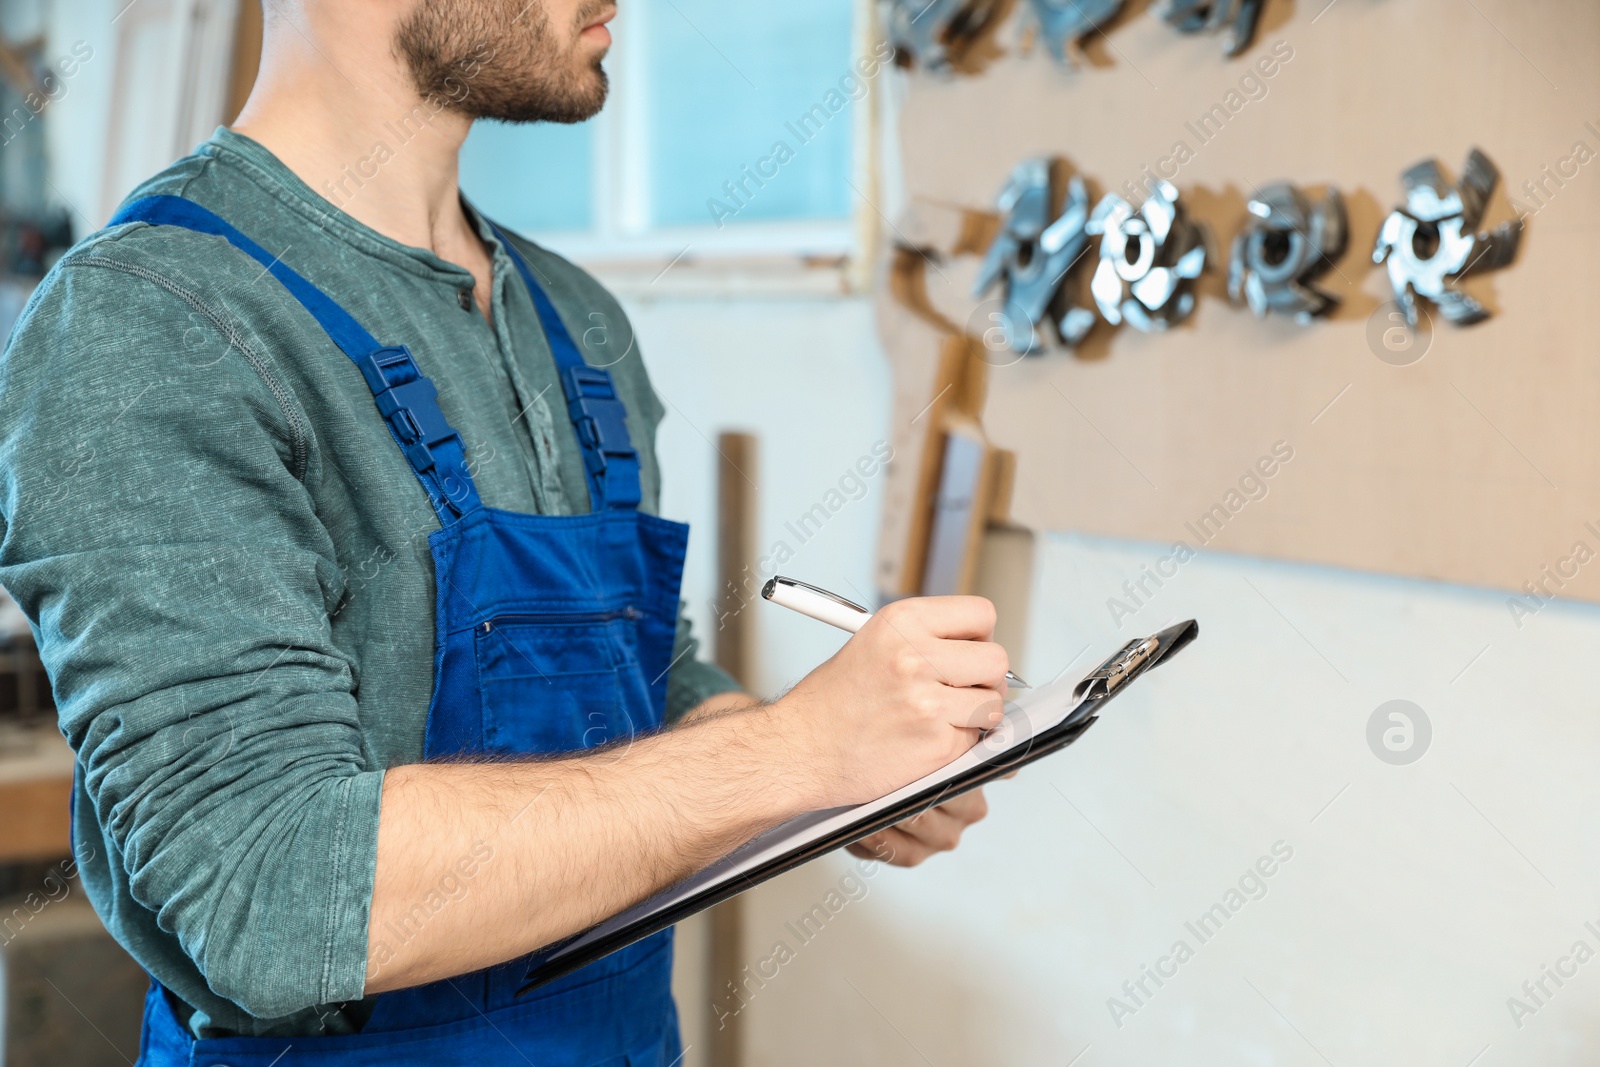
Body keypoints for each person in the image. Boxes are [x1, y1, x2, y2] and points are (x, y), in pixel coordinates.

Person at [0, 1, 1011, 1062]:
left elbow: (645, 688)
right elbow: (269, 894)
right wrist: (791, 751)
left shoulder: (577, 320)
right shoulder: (149, 319)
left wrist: (835, 779)